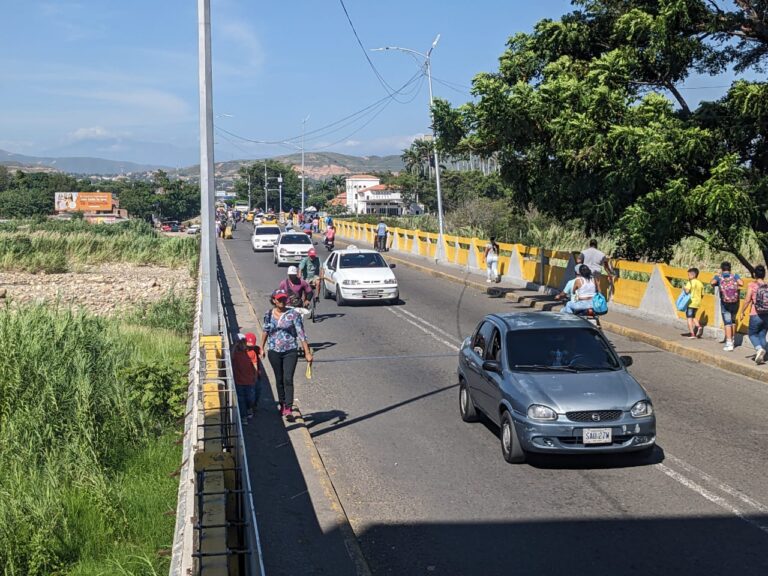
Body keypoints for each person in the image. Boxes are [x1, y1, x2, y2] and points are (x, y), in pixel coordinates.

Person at [261, 289, 313, 417]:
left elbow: (301, 334)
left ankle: (289, 407)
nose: (282, 301)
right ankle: (282, 403)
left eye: (284, 299)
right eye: (279, 299)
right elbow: (265, 331)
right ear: (274, 300)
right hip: (274, 351)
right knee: (279, 379)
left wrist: (307, 352)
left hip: (290, 350)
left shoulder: (293, 314)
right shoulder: (268, 314)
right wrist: (261, 347)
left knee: (288, 378)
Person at [738, 264, 768, 364]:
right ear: (764, 274)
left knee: (752, 334)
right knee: (762, 335)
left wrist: (742, 311)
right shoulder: (767, 286)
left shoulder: (752, 285)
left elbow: (747, 300)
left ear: (755, 274)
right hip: (766, 314)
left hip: (756, 314)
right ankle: (764, 355)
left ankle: (759, 350)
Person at [711, 261, 744, 351]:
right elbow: (741, 283)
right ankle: (732, 339)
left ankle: (729, 343)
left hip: (725, 303)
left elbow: (712, 282)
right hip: (735, 302)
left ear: (722, 269)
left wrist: (717, 277)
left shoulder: (719, 277)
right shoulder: (735, 276)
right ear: (730, 268)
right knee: (733, 321)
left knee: (727, 323)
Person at [232, 333, 262, 424]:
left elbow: (255, 364)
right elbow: (232, 356)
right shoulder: (235, 353)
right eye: (239, 343)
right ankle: (244, 417)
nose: (242, 344)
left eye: (243, 342)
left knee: (250, 398)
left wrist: (256, 376)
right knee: (241, 400)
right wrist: (235, 347)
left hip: (250, 381)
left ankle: (249, 408)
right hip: (239, 381)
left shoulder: (252, 353)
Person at [683, 268, 704, 339]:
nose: (688, 276)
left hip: (691, 303)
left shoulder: (690, 282)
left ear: (692, 275)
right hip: (697, 303)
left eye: (688, 275)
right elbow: (702, 295)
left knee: (689, 318)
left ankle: (692, 334)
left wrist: (684, 288)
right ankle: (699, 327)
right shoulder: (700, 283)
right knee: (693, 316)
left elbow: (687, 291)